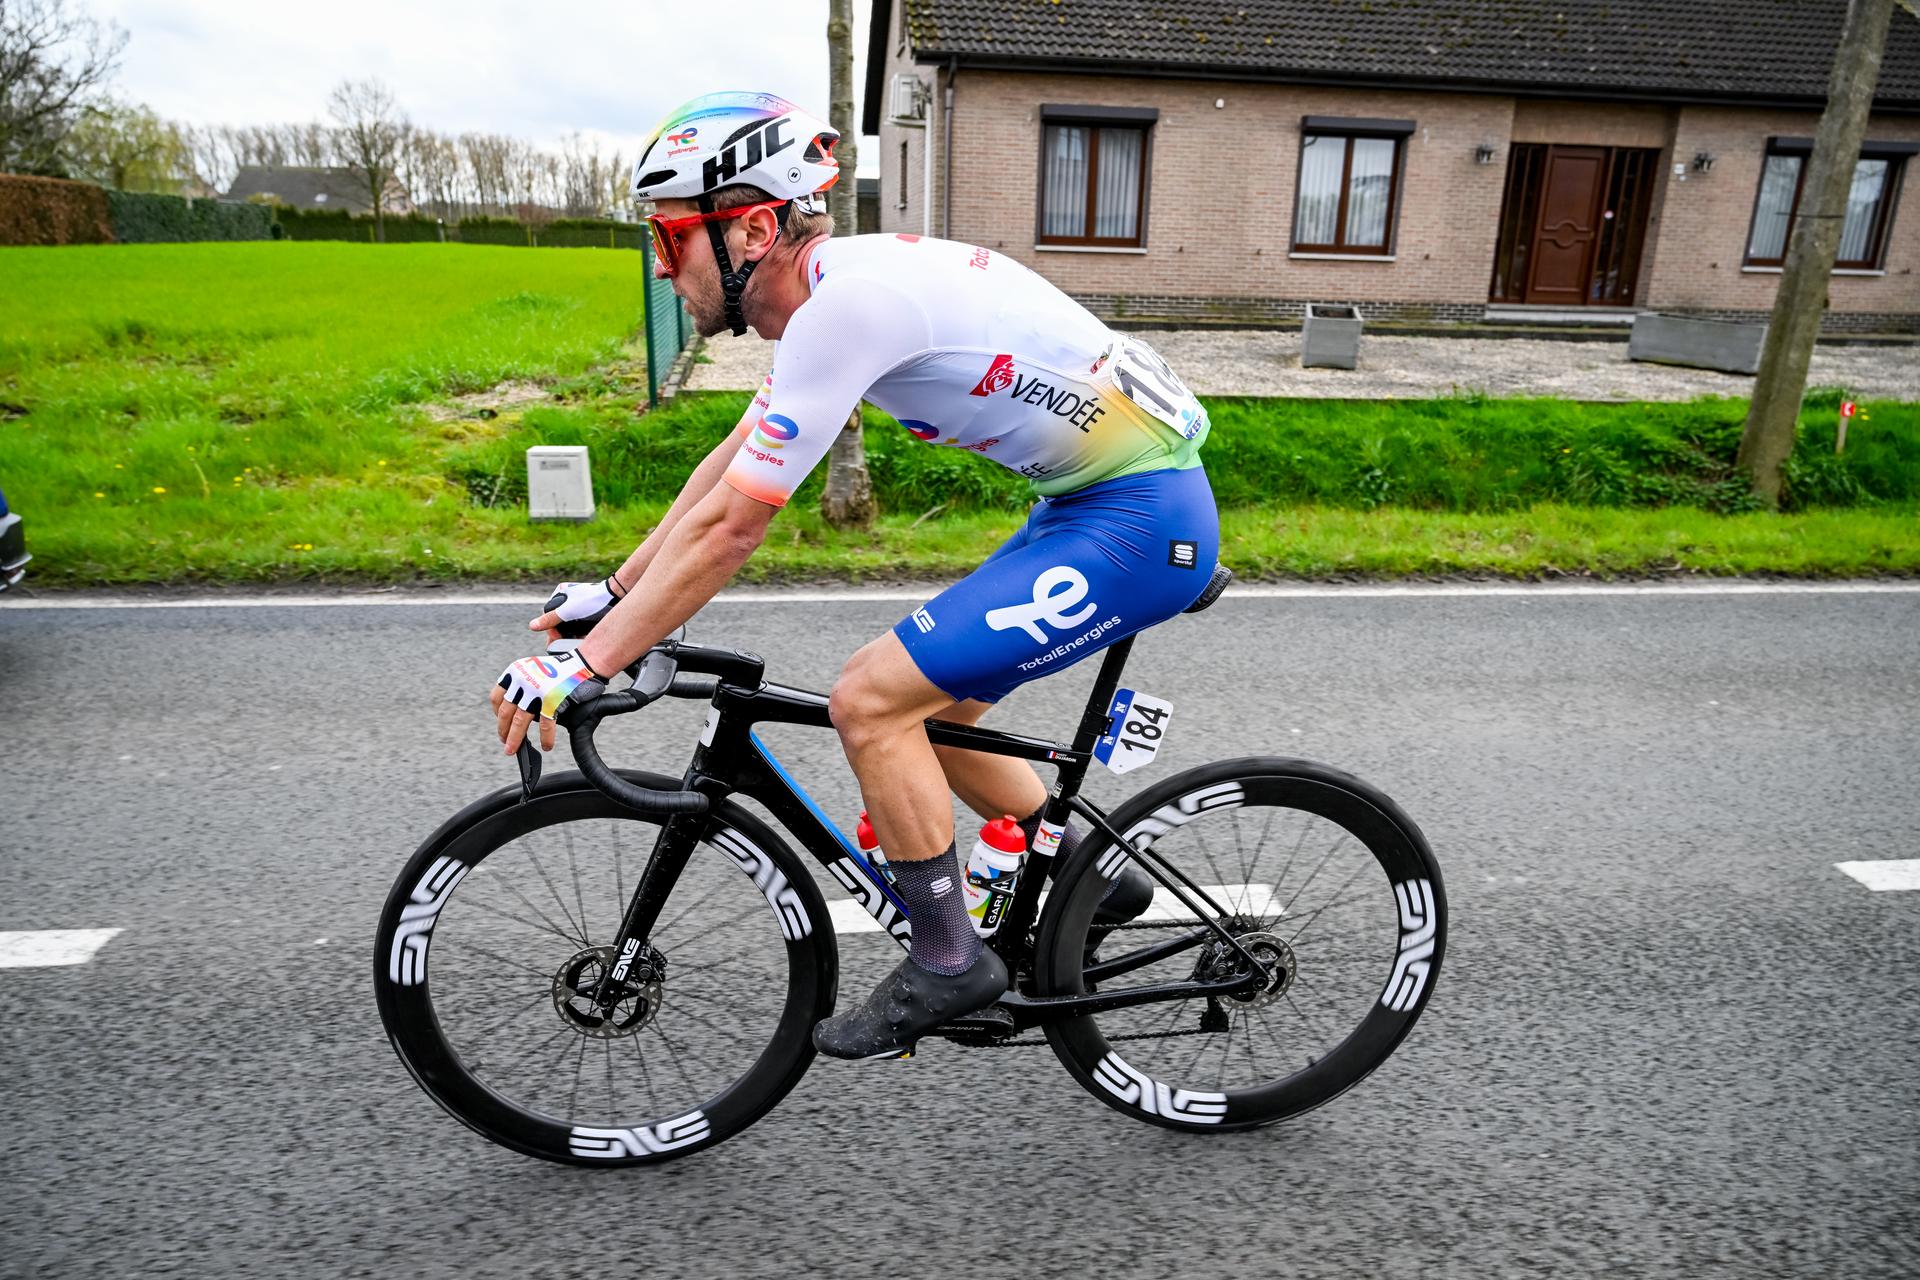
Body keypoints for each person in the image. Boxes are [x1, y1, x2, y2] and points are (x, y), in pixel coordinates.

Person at [491, 91, 1219, 1061]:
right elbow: (732, 463)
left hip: (1142, 516)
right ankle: (1096, 872)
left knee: (869, 699)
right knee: (936, 711)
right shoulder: (828, 301)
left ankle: (951, 958)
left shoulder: (846, 308)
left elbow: (735, 529)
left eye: (671, 243)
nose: (664, 270)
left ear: (751, 227)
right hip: (1094, 503)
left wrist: (588, 668)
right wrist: (618, 596)